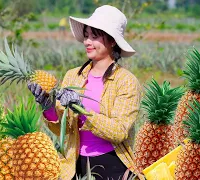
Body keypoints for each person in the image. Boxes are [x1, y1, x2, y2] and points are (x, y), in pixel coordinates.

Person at [28, 5, 142, 180]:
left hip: (112, 164)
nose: (87, 41)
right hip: (75, 164)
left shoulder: (126, 81)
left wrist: (82, 111)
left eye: (94, 37)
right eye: (87, 35)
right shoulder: (73, 76)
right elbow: (62, 130)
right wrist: (47, 106)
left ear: (112, 41)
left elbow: (119, 132)